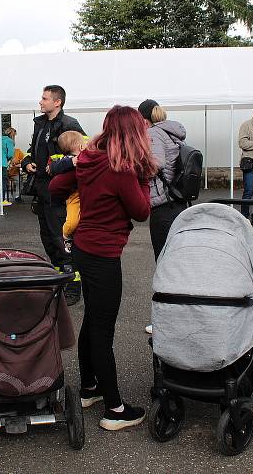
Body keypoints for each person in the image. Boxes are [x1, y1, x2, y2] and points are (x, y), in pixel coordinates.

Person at [49, 105, 155, 431]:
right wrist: (146, 181)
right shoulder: (121, 170)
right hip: (103, 256)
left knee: (93, 320)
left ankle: (88, 389)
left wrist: (84, 186)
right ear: (134, 133)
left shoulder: (90, 160)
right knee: (102, 330)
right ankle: (114, 409)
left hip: (83, 249)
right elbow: (141, 211)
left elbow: (54, 188)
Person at [21, 85, 86, 305]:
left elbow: (81, 154)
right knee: (49, 240)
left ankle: (73, 285)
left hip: (60, 194)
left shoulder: (69, 125)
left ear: (57, 102)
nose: (40, 102)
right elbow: (34, 151)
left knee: (62, 240)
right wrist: (27, 162)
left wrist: (56, 165)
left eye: (44, 98)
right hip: (42, 191)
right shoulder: (40, 125)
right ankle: (60, 279)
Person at [139, 99, 187, 335]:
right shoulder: (171, 132)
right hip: (175, 203)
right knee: (174, 264)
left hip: (163, 205)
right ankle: (180, 316)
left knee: (165, 266)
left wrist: (135, 167)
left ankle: (166, 321)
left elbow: (155, 164)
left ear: (144, 119)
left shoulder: (153, 134)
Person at [48, 130, 87, 252]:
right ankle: (66, 235)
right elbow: (58, 166)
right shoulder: (68, 159)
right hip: (73, 196)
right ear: (80, 146)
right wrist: (71, 162)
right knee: (73, 220)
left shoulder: (84, 156)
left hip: (83, 193)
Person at [5, 127, 24, 203]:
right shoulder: (3, 151)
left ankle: (17, 196)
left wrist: (19, 163)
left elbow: (25, 159)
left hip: (14, 173)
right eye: (13, 137)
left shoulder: (17, 151)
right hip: (5, 173)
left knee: (20, 179)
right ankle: (4, 198)